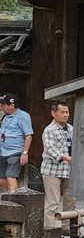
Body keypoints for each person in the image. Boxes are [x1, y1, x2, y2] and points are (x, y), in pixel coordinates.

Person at [40, 100, 73, 229]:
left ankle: (67, 228)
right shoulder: (49, 130)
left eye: (67, 112)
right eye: (62, 112)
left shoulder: (71, 128)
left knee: (71, 201)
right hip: (52, 170)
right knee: (52, 202)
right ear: (53, 113)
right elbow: (50, 149)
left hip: (69, 170)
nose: (65, 115)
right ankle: (50, 231)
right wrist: (66, 158)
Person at [0, 93, 33, 192]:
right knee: (1, 180)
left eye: (4, 104)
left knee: (11, 177)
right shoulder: (4, 116)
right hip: (2, 151)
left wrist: (25, 153)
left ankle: (13, 198)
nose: (2, 106)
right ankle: (16, 193)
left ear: (12, 105)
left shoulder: (23, 116)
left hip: (15, 151)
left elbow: (28, 135)